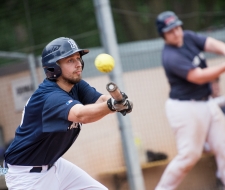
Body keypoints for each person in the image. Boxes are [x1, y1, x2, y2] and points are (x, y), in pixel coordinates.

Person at [3, 37, 133, 190]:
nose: (78, 64)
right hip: (26, 176)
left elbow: (100, 100)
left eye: (78, 58)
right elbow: (80, 115)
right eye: (70, 60)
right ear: (53, 68)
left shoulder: (75, 85)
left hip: (55, 165)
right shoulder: (49, 96)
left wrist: (117, 102)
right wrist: (112, 105)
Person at [154, 11, 225, 190]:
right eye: (171, 31)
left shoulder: (188, 37)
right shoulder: (171, 56)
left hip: (207, 103)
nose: (177, 33)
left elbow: (212, 44)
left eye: (177, 27)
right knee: (189, 156)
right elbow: (199, 77)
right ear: (163, 35)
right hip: (185, 108)